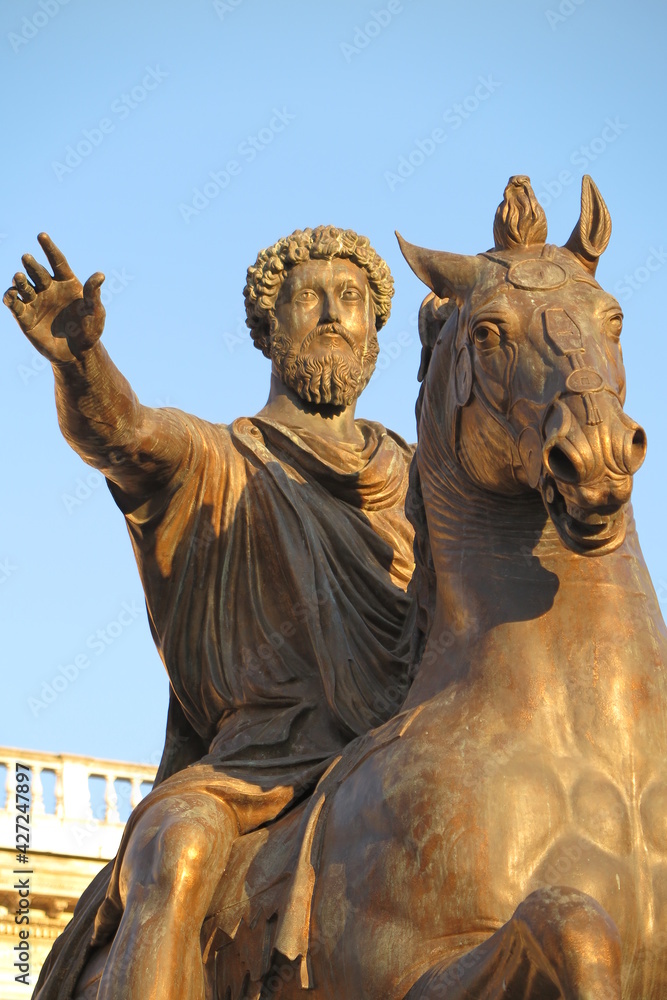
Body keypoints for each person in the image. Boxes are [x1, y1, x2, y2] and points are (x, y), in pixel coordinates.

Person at [4, 226, 415, 1000]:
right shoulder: (213, 456)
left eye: (352, 300)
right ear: (267, 328)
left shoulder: (425, 484)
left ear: (374, 331)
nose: (332, 313)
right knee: (179, 849)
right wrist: (79, 361)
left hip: (401, 748)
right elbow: (121, 434)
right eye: (308, 298)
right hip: (252, 764)